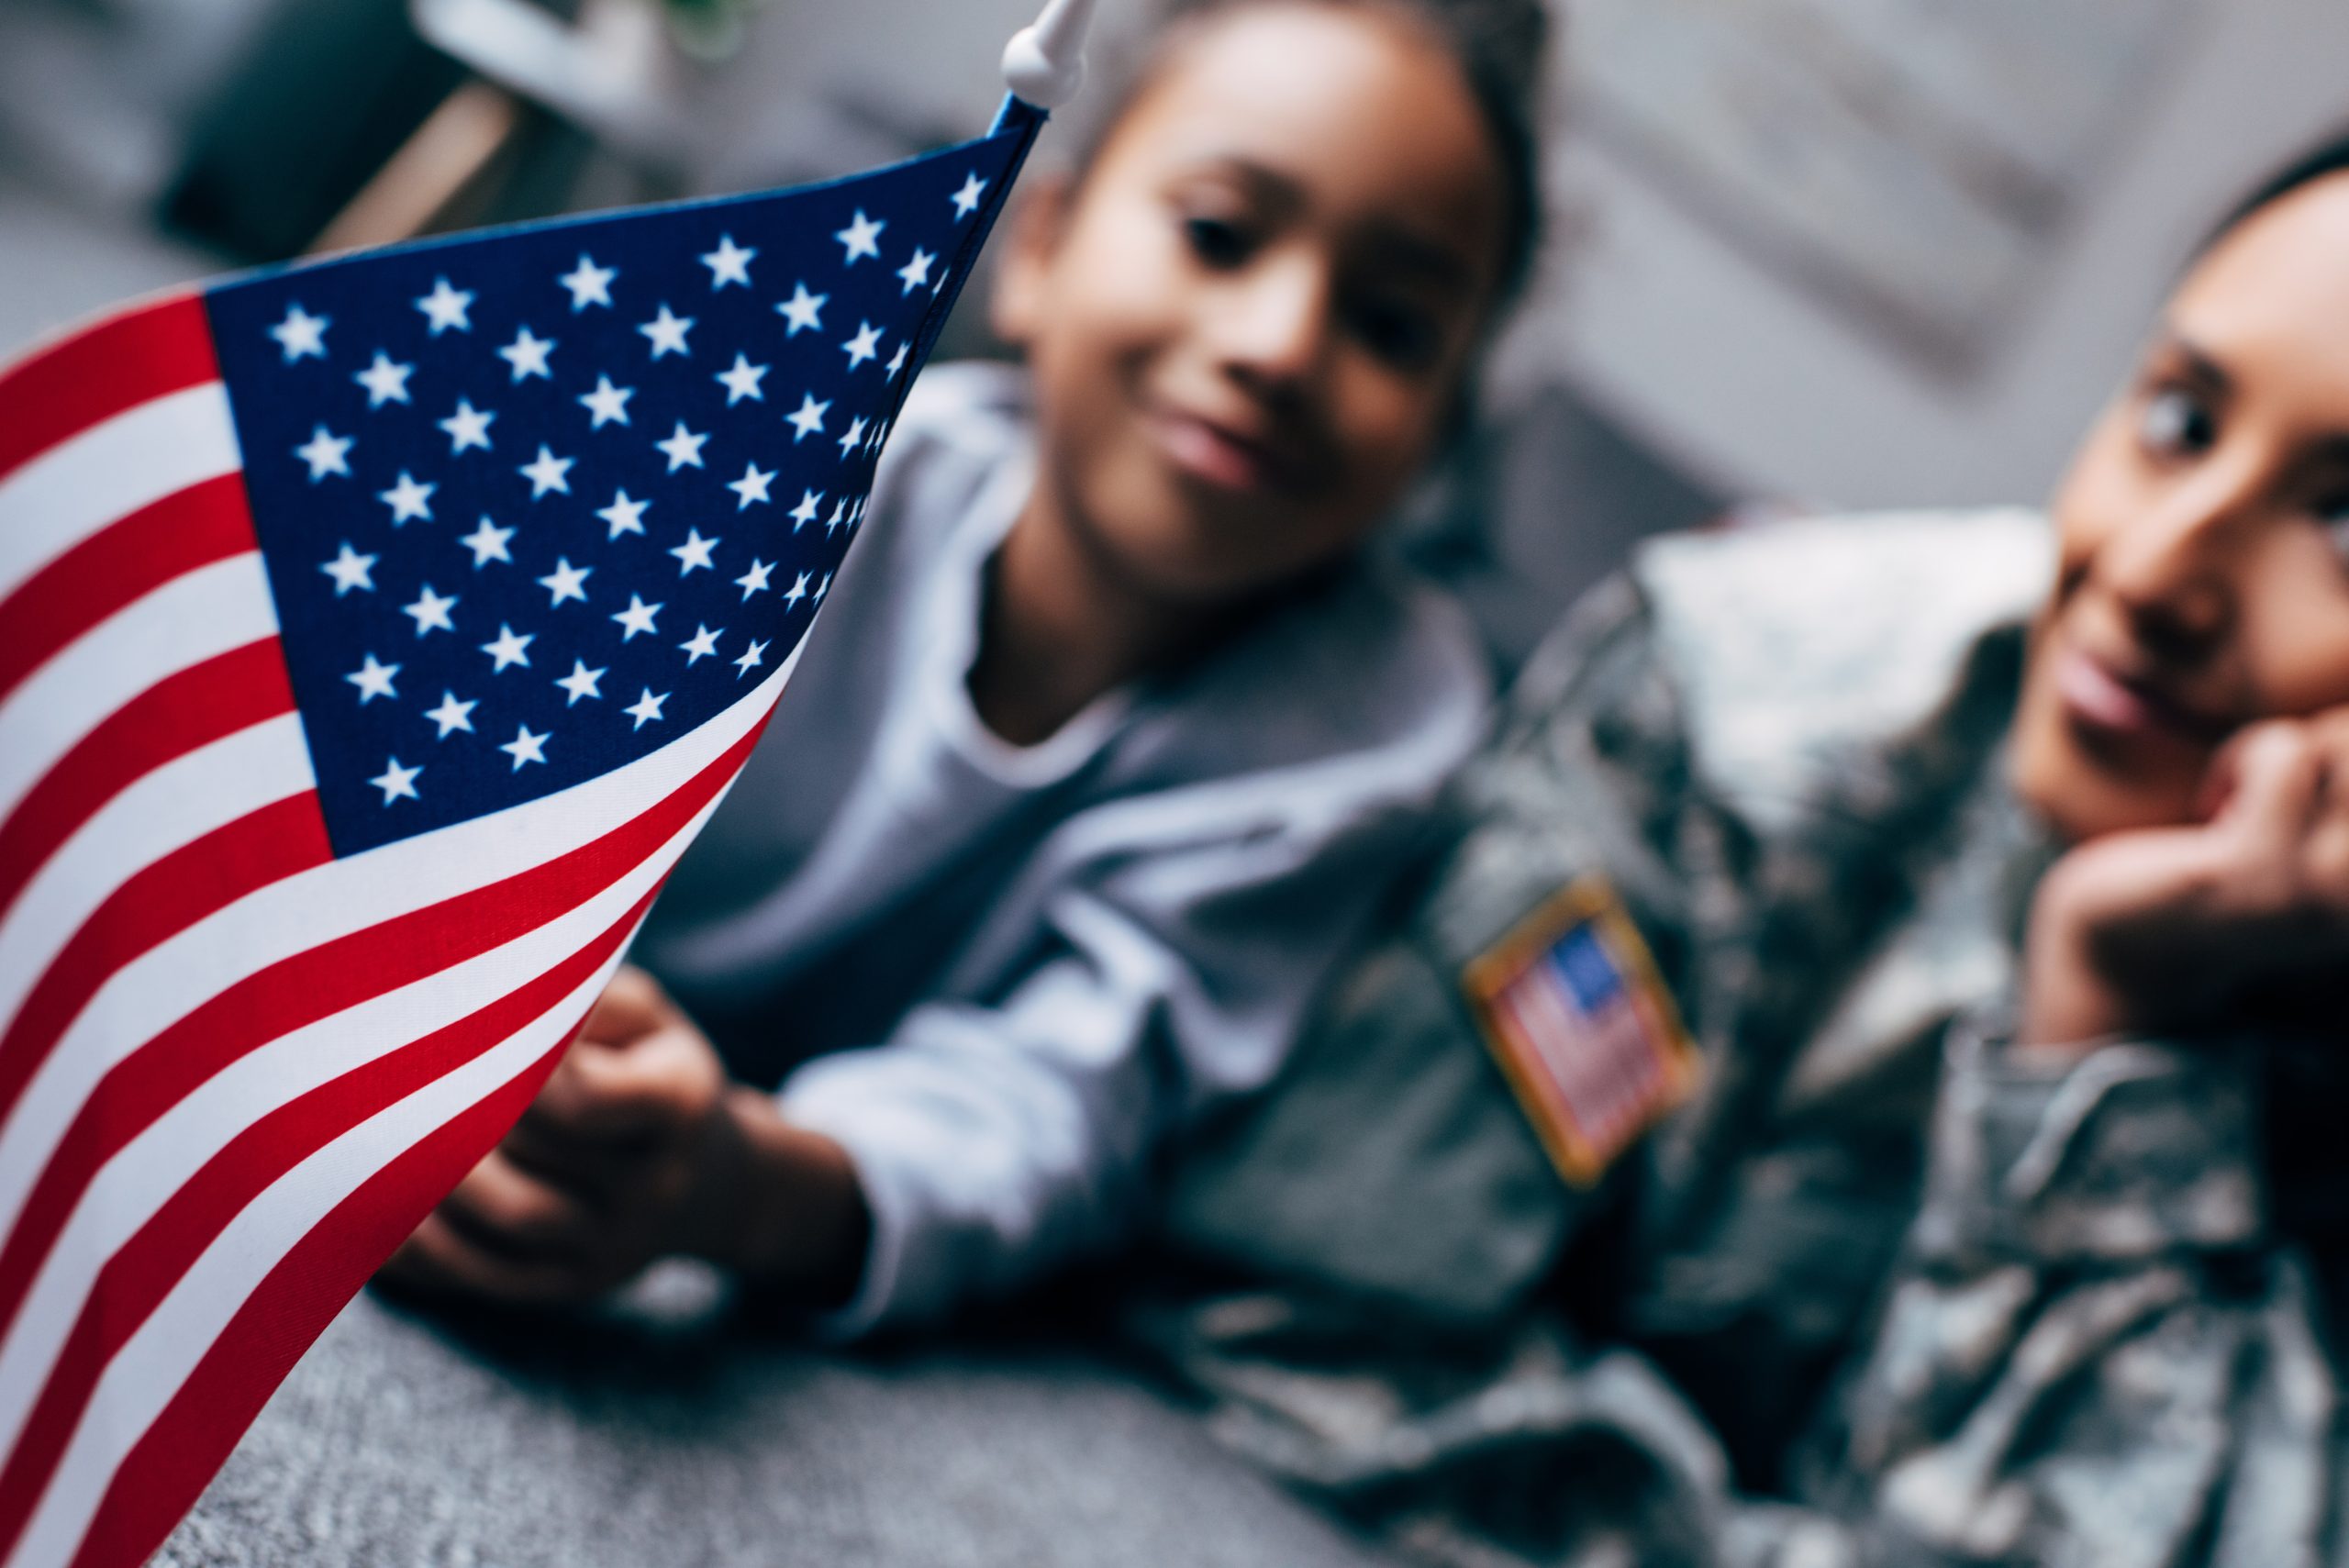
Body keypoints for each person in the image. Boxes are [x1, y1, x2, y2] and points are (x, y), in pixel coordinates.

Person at [1142, 134, 2349, 1567]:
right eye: (2180, 419)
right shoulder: (1730, 718)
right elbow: (1306, 1316)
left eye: (2345, 524)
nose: (2151, 573)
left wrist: (2099, 1032)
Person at [378, 0, 1547, 1336]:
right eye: (1219, 234)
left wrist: (728, 1185)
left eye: (1393, 325)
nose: (1278, 345)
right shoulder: (807, 468)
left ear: (1447, 431)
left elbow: (1068, 1101)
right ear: (1038, 246)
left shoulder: (1378, 729)